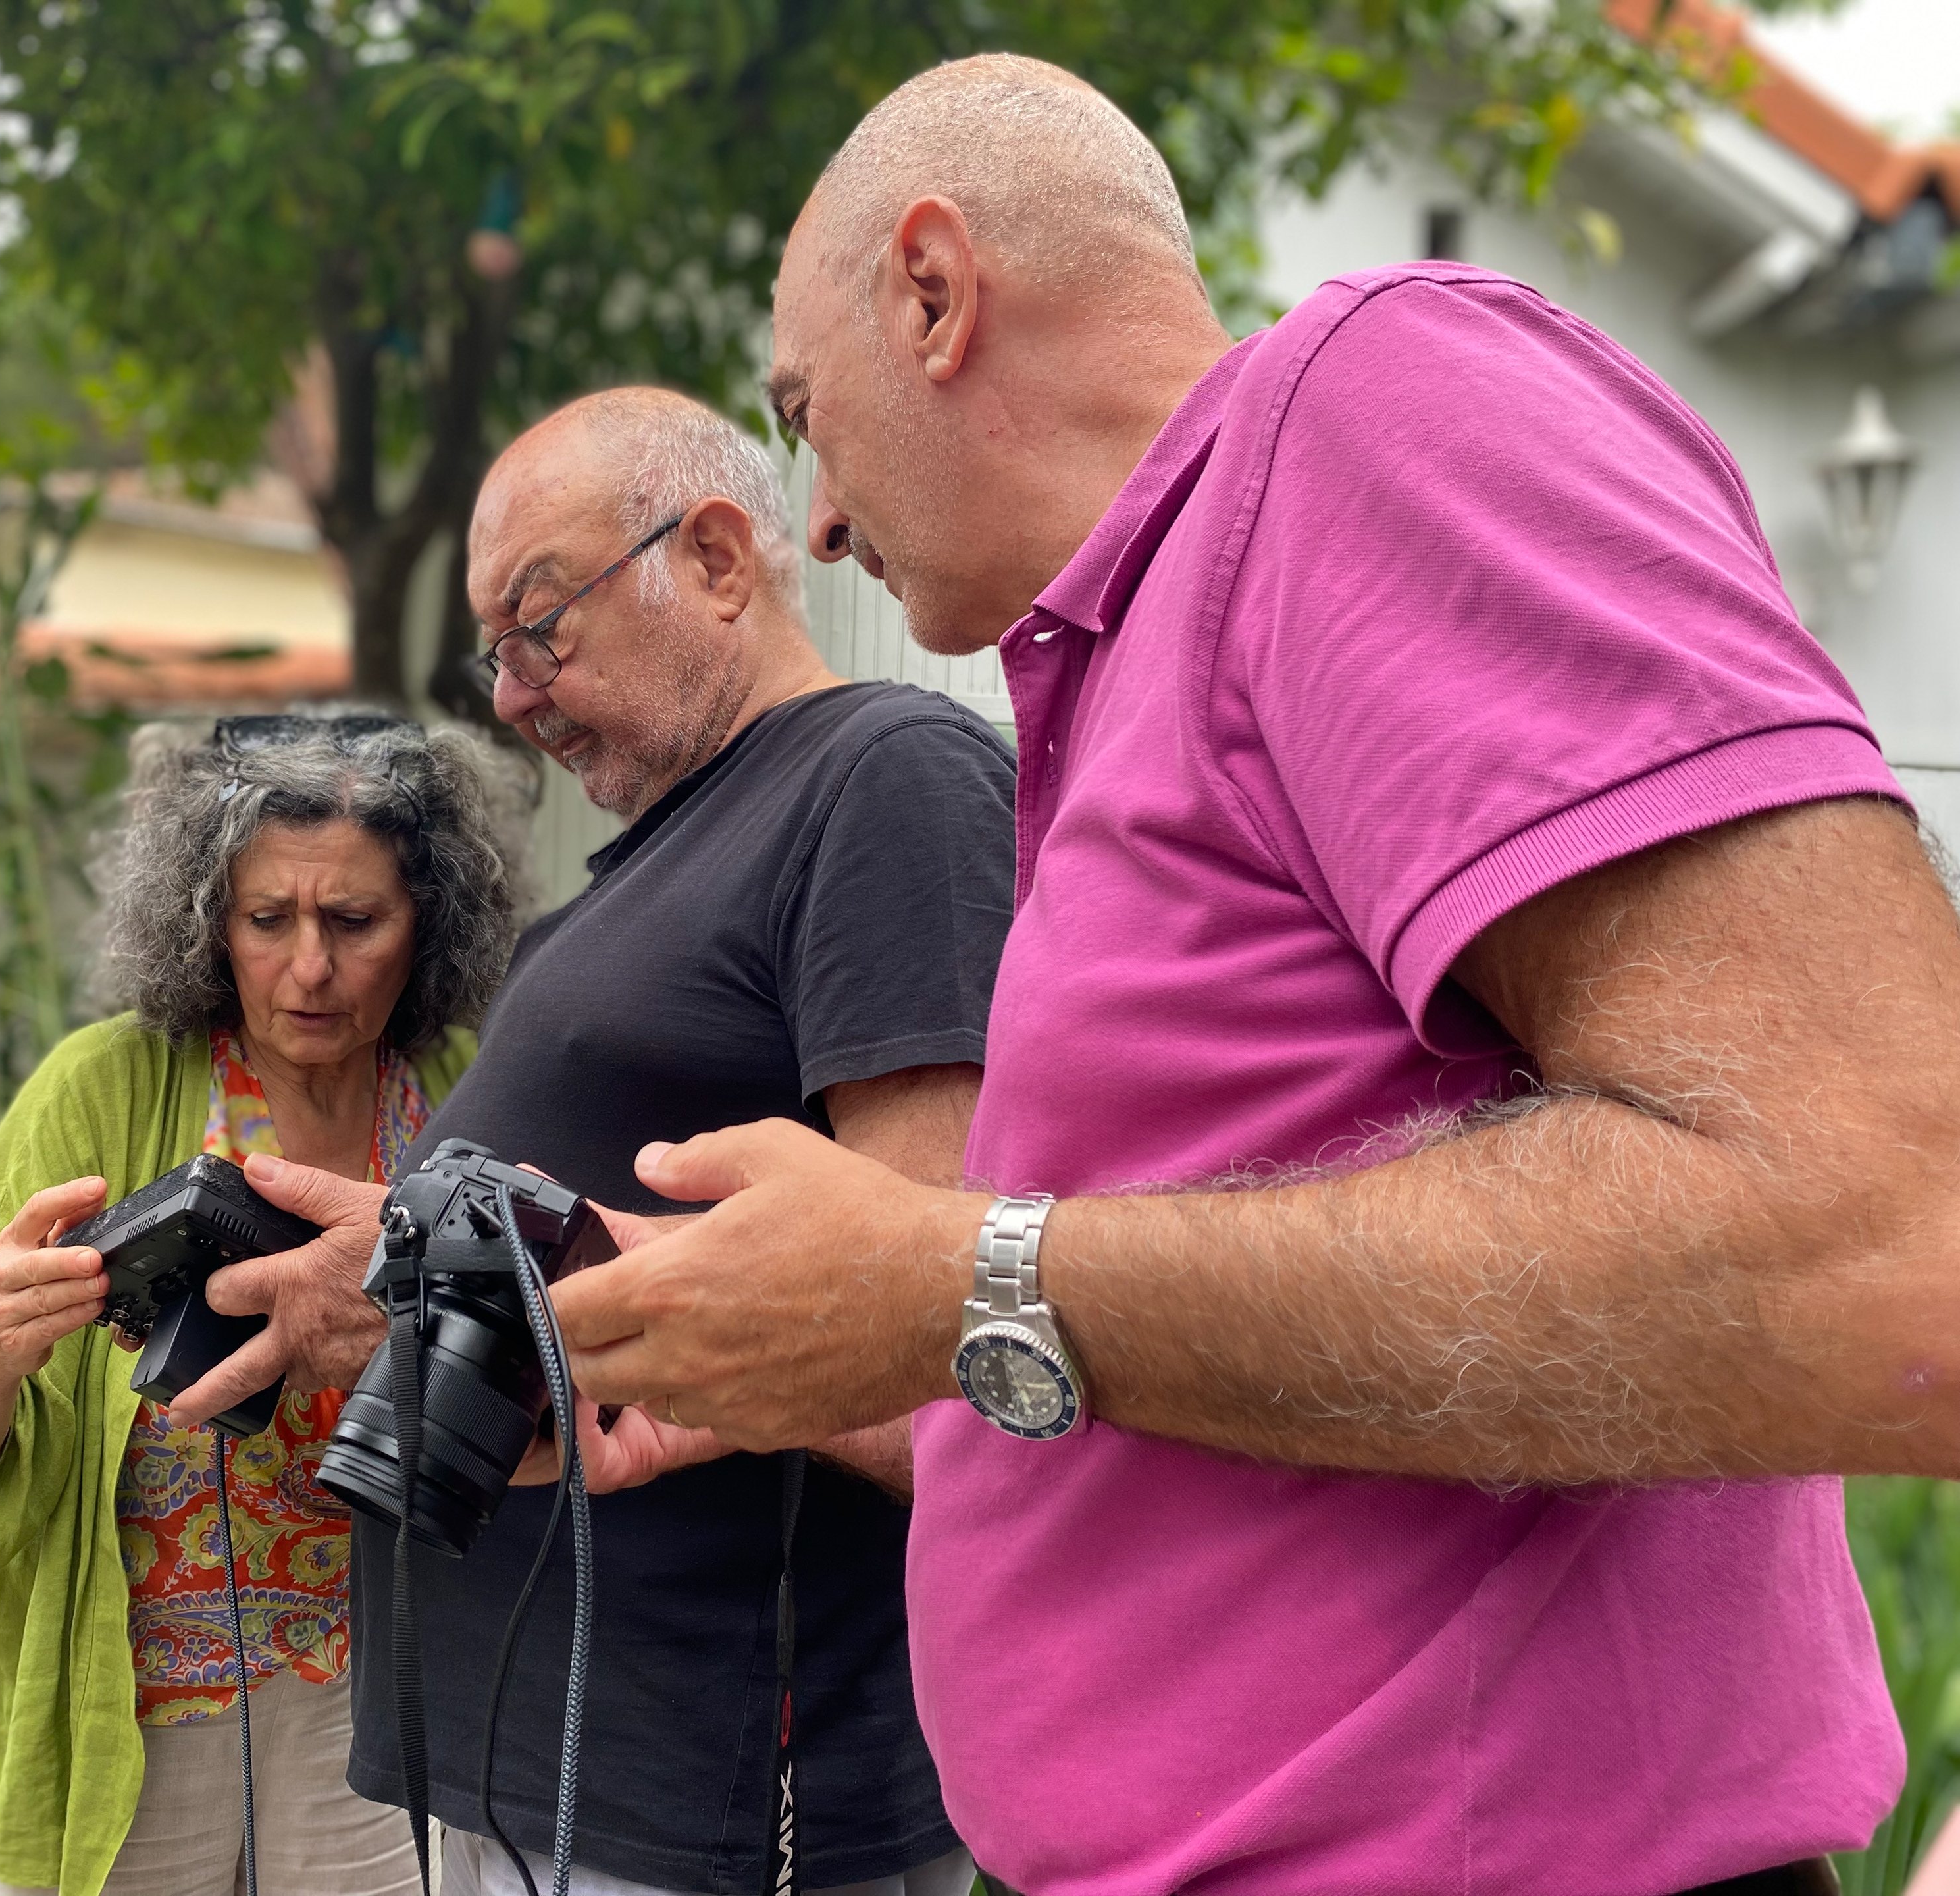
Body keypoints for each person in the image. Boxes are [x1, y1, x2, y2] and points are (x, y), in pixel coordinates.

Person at [541, 53, 1960, 1896]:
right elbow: (1199, 1354)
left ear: (935, 293)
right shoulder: (1142, 646)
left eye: (807, 415)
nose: (817, 514)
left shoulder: (1372, 404)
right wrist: (806, 1341)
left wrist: (966, 1276)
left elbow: (1889, 1246)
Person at [172, 388, 1008, 1896]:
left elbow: (939, 1347)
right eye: (494, 651)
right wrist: (398, 1270)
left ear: (716, 559)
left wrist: (474, 1297)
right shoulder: (658, 861)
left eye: (540, 624)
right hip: (543, 1778)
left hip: (702, 1797)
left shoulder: (884, 776)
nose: (512, 695)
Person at [0, 711, 528, 1896]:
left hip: (380, 1700)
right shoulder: (104, 1085)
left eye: (355, 921)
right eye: (269, 920)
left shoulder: (462, 1091)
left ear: (431, 922)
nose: (310, 968)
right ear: (209, 919)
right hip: (127, 1707)